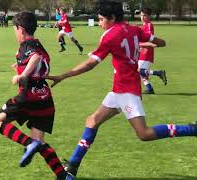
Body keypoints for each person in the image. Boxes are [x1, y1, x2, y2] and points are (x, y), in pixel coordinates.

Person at [47, 1, 197, 178]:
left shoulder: (109, 36)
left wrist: (62, 76)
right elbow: (159, 42)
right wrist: (155, 42)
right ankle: (72, 167)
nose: (99, 23)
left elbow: (90, 64)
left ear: (112, 18)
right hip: (119, 89)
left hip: (127, 91)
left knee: (144, 133)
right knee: (92, 121)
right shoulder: (133, 29)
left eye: (101, 19)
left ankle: (191, 129)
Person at [0, 11, 74, 180]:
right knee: (41, 144)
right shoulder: (38, 44)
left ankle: (30, 144)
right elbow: (39, 63)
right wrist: (20, 69)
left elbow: (34, 58)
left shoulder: (27, 45)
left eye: (14, 29)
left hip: (28, 97)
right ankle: (64, 176)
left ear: (20, 29)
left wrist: (23, 75)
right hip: (45, 100)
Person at [138, 8, 167, 94]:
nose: (142, 17)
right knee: (142, 73)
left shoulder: (149, 25)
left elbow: (150, 38)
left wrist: (140, 44)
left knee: (138, 70)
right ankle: (149, 89)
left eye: (145, 15)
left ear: (149, 16)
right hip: (142, 51)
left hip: (146, 52)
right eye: (141, 15)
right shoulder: (143, 26)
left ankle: (159, 73)